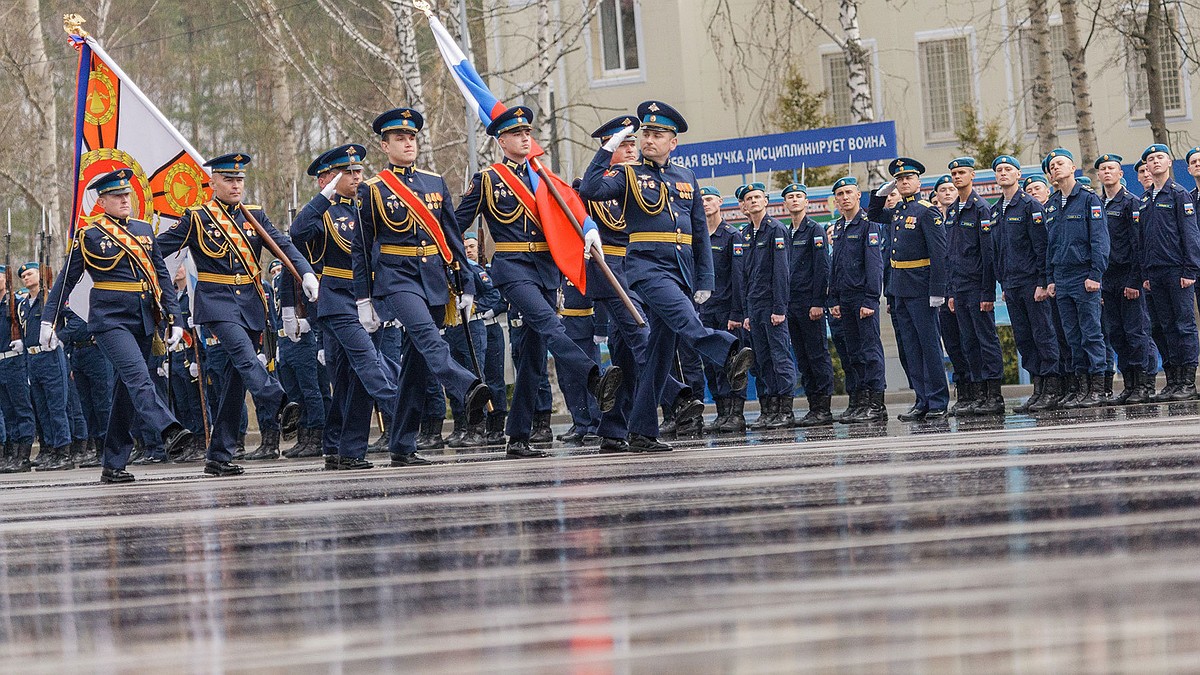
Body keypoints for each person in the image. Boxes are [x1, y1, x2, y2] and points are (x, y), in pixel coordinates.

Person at [579, 100, 752, 452]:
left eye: (658, 134)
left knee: (657, 356)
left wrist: (704, 280)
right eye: (646, 134)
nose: (649, 140)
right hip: (646, 269)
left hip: (682, 271)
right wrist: (609, 149)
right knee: (686, 321)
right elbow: (591, 190)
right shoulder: (628, 174)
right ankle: (728, 350)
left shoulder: (685, 177)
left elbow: (699, 232)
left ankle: (641, 430)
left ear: (673, 142)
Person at [457, 105, 621, 457]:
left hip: (546, 270)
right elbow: (455, 226)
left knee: (532, 357)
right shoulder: (488, 179)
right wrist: (456, 271)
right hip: (513, 266)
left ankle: (517, 437)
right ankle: (593, 376)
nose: (524, 138)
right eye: (517, 134)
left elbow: (571, 214)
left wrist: (588, 231)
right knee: (550, 326)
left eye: (528, 133)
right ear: (502, 141)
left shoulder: (544, 178)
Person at [157, 152, 318, 477]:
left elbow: (284, 246)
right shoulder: (198, 218)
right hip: (216, 304)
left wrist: (306, 273)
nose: (235, 185)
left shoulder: (254, 215)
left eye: (239, 179)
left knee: (233, 382)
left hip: (250, 303)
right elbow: (155, 248)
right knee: (246, 358)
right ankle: (279, 400)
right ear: (213, 182)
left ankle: (218, 455)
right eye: (228, 179)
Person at [356, 108, 492, 465]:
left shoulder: (435, 183)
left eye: (412, 137)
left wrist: (466, 283)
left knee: (416, 367)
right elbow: (362, 246)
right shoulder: (373, 190)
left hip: (433, 278)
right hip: (396, 278)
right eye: (400, 138)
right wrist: (363, 297)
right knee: (430, 338)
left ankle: (401, 444)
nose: (408, 143)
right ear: (385, 146)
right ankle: (467, 386)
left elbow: (452, 236)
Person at [42, 169, 193, 482]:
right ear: (103, 201)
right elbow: (66, 280)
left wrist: (175, 318)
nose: (125, 200)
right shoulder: (90, 234)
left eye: (127, 194)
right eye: (117, 196)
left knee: (125, 391)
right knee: (138, 376)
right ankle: (168, 428)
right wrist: (48, 318)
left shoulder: (143, 230)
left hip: (142, 316)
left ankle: (113, 463)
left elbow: (162, 276)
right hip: (109, 320)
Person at [872, 158, 949, 421]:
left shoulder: (927, 212)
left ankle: (938, 400)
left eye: (908, 178)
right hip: (900, 289)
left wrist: (938, 290)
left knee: (929, 346)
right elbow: (873, 215)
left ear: (918, 182)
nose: (904, 183)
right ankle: (922, 399)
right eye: (899, 179)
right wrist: (880, 195)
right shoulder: (898, 211)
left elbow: (939, 254)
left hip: (922, 288)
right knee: (910, 348)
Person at [990, 155, 1060, 412]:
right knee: (1024, 338)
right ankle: (1038, 387)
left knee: (1043, 333)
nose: (1003, 173)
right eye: (999, 170)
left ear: (1018, 174)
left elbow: (1042, 247)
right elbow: (997, 250)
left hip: (1032, 282)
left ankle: (1051, 387)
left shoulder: (1030, 206)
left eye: (1008, 169)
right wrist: (1003, 283)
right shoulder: (996, 210)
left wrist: (1043, 281)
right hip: (1012, 283)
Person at [1044, 148, 1109, 408]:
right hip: (1061, 276)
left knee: (1091, 333)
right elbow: (1049, 246)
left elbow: (1100, 239)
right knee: (1072, 336)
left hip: (1084, 276)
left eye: (1061, 163)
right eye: (1052, 166)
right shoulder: (1051, 204)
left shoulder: (1088, 199)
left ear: (1073, 168)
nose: (1056, 168)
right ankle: (1081, 388)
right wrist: (1050, 278)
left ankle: (1098, 388)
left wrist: (1095, 273)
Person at [1139, 143, 1200, 401]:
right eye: (1151, 159)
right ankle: (1173, 380)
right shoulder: (1145, 199)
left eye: (1159, 157)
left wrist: (1189, 269)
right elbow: (1142, 240)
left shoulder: (1179, 194)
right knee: (1165, 328)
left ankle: (1187, 381)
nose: (1155, 162)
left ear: (1169, 163)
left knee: (1184, 325)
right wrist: (1145, 274)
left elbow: (1190, 235)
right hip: (1155, 273)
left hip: (1177, 271)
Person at [731, 182, 795, 428]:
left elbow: (781, 272)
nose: (754, 201)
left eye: (758, 197)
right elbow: (745, 275)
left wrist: (780, 308)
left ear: (766, 201)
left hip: (771, 305)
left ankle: (785, 410)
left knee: (780, 357)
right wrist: (747, 312)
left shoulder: (776, 230)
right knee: (762, 359)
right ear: (744, 205)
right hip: (754, 306)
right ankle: (769, 409)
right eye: (749, 198)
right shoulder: (746, 233)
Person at [945, 157, 1004, 416]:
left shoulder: (981, 209)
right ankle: (978, 393)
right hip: (958, 288)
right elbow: (949, 254)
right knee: (968, 343)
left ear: (972, 176)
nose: (957, 177)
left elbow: (988, 254)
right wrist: (950, 291)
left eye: (961, 173)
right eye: (954, 173)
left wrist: (987, 291)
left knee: (986, 341)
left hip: (977, 286)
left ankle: (994, 395)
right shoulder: (953, 210)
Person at [1094, 153, 1153, 405]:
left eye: (1112, 168)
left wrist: (1134, 280)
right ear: (1098, 175)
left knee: (1135, 332)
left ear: (1121, 174)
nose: (1107, 172)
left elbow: (1138, 244)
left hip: (1127, 276)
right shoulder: (1097, 204)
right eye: (1103, 169)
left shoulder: (1131, 202)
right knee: (1116, 333)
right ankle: (1128, 384)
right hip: (1107, 279)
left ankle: (1142, 384)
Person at [828, 177, 886, 422]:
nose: (844, 197)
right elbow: (835, 265)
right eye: (840, 194)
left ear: (858, 195)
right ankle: (860, 402)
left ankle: (876, 404)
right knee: (853, 353)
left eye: (848, 192)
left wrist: (871, 299)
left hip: (863, 297)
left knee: (870, 351)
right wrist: (833, 299)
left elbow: (874, 264)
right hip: (845, 298)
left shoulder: (867, 224)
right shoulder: (839, 226)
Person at [781, 184, 834, 427]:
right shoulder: (784, 232)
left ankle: (823, 407)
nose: (794, 201)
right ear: (784, 204)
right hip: (790, 303)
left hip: (808, 303)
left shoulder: (815, 230)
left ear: (806, 202)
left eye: (799, 197)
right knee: (802, 357)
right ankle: (813, 405)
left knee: (817, 355)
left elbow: (822, 269)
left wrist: (818, 302)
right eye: (790, 197)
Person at [699, 185, 748, 432]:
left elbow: (739, 277)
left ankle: (736, 413)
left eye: (709, 199)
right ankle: (721, 411)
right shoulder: (698, 238)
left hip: (727, 310)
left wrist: (737, 313)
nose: (705, 203)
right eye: (701, 200)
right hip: (704, 310)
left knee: (732, 362)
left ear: (720, 202)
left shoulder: (731, 236)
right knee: (711, 362)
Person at [19, 262, 75, 471]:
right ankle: (50, 449)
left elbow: (76, 321)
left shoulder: (52, 298)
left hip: (51, 357)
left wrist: (60, 337)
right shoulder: (24, 305)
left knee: (56, 407)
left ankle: (63, 452)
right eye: (23, 275)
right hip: (34, 360)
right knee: (42, 410)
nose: (26, 278)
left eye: (30, 274)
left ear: (40, 275)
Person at [58, 307, 112, 467]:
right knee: (86, 406)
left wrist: (60, 336)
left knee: (102, 404)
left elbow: (79, 322)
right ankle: (97, 448)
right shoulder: (70, 297)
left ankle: (107, 450)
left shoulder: (86, 295)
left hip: (95, 350)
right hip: (78, 351)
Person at [0, 267, 36, 472]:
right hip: (1, 363)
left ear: (6, 280)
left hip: (15, 362)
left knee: (22, 409)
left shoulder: (16, 304)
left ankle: (23, 455)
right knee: (8, 411)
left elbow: (26, 328)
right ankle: (12, 455)